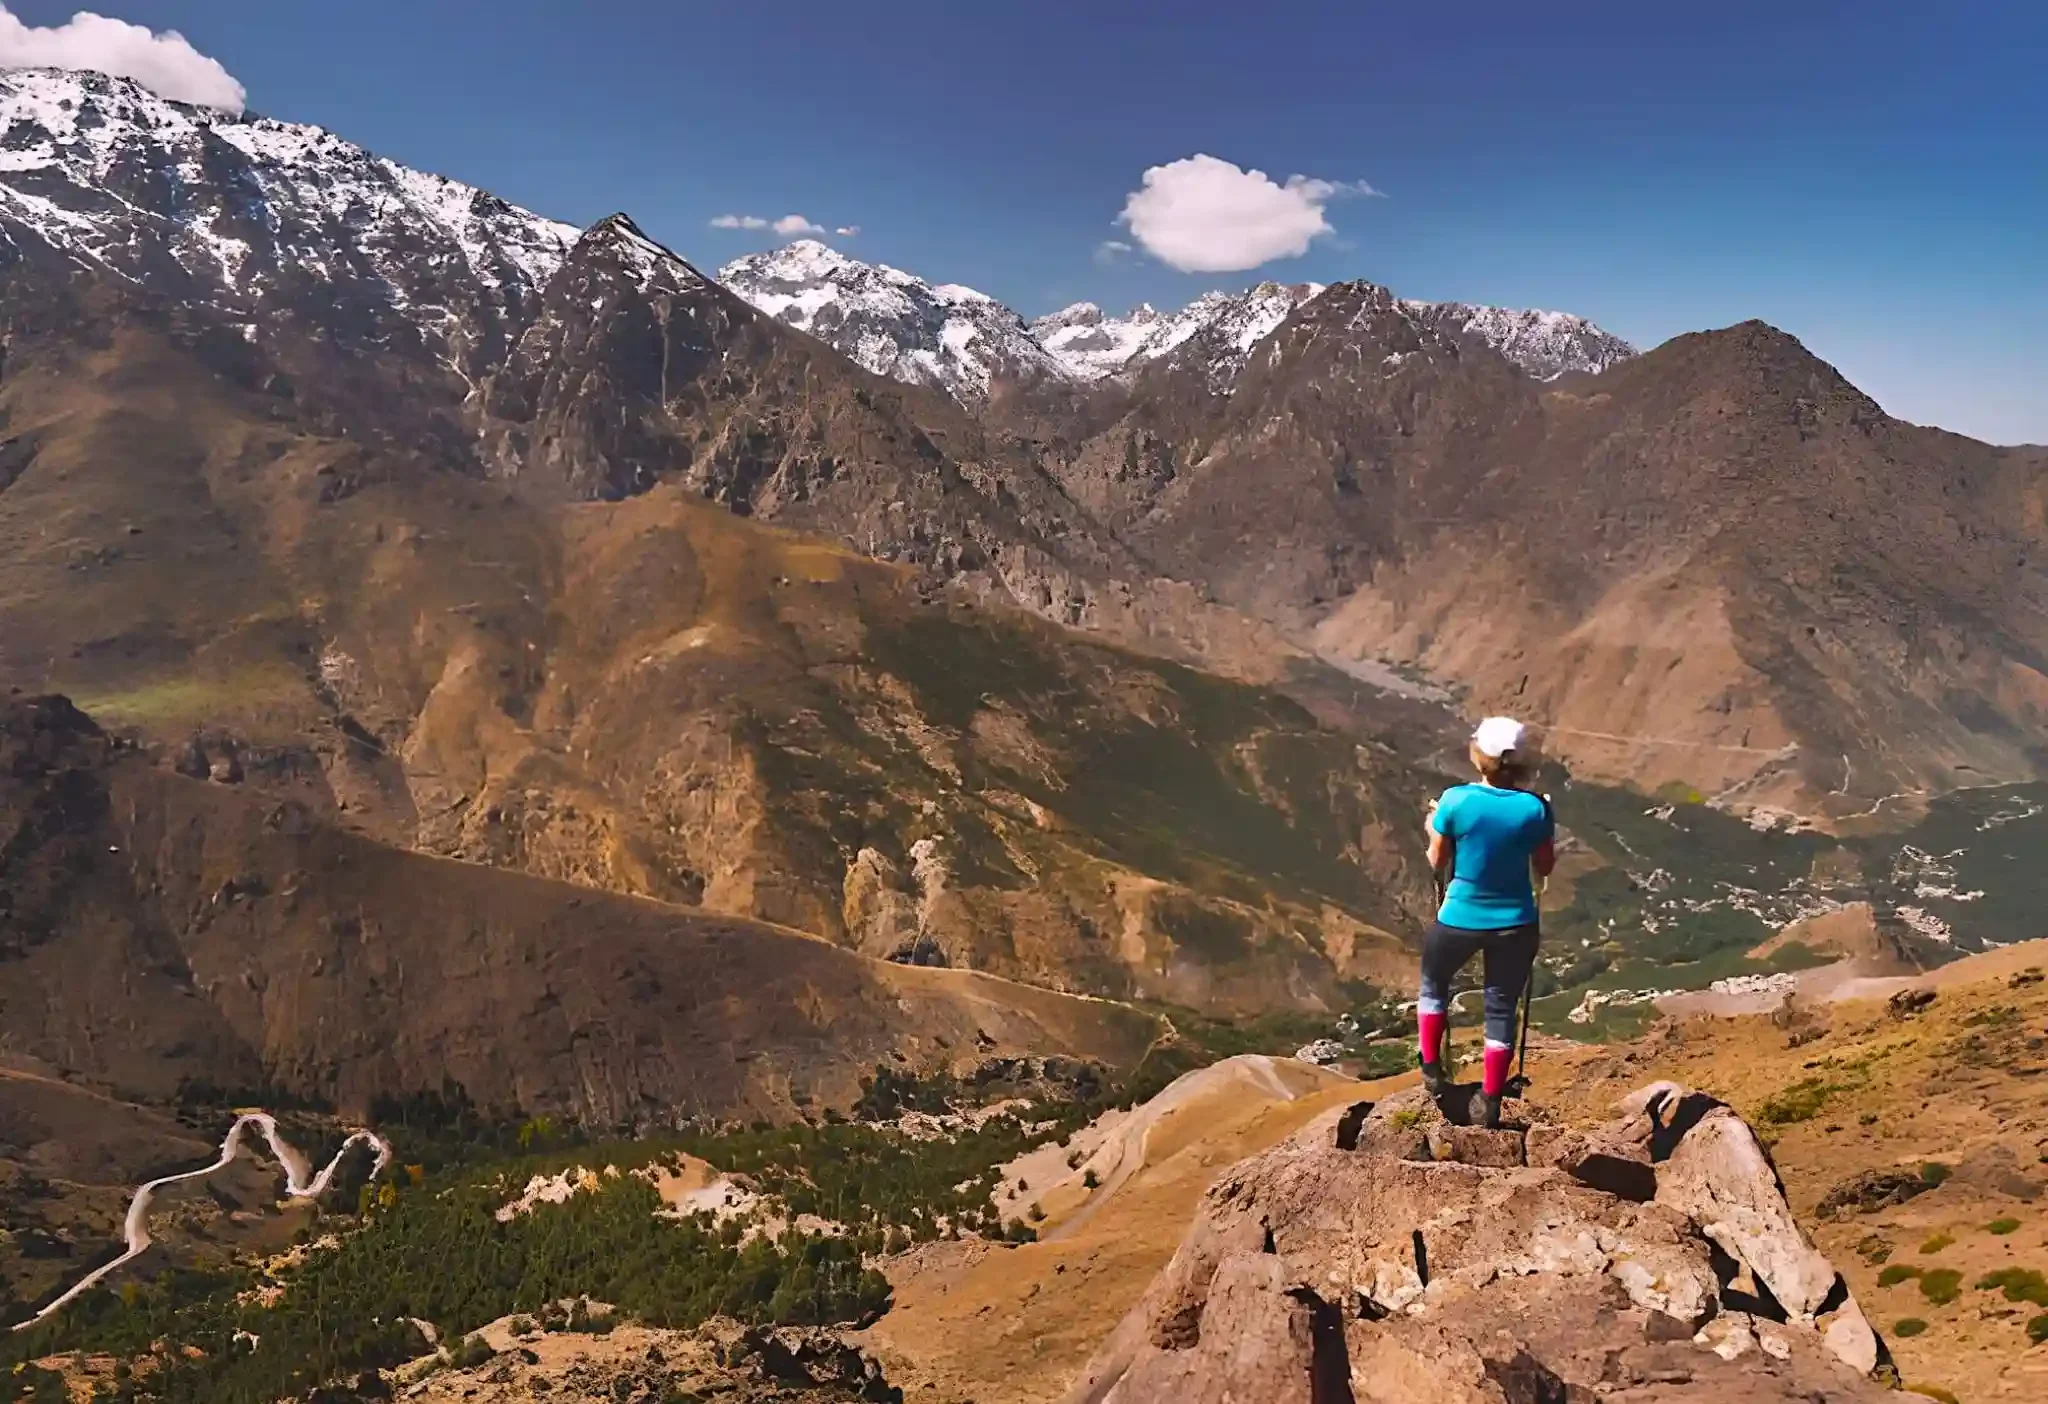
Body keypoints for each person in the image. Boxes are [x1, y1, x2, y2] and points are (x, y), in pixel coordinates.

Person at [1418, 715, 1556, 1129]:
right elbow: (1544, 867)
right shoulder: (1536, 808)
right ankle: (1490, 1097)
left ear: (1481, 756)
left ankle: (1431, 1068)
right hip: (1516, 922)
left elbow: (1436, 861)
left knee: (1433, 984)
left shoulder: (1455, 801)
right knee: (1501, 1005)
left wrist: (1432, 824)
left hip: (1459, 916)